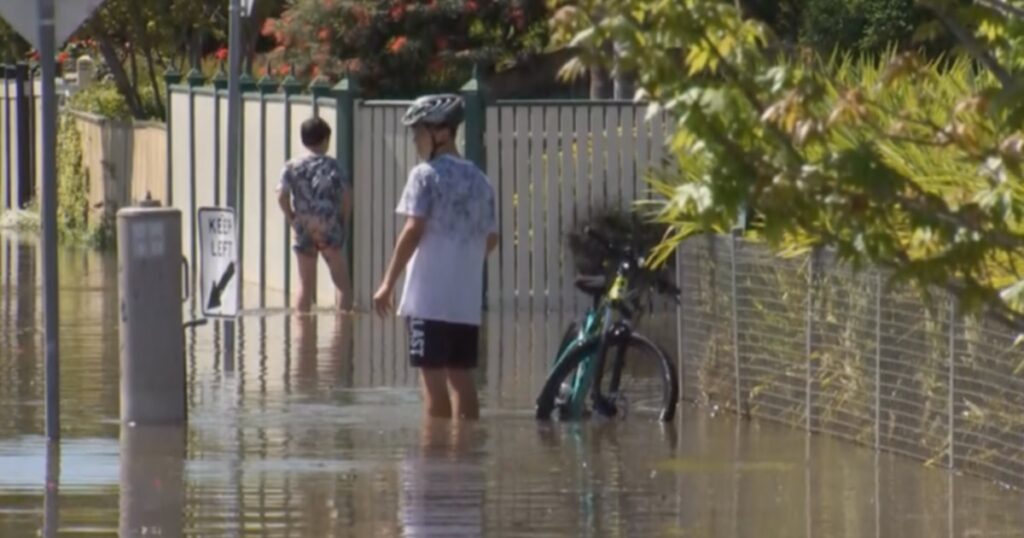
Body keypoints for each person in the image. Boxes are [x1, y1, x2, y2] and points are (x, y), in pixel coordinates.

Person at [373, 94, 499, 420]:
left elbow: (413, 230)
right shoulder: (482, 182)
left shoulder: (424, 176)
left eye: (419, 132)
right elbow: (492, 238)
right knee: (461, 377)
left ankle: (434, 463)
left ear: (440, 132)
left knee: (431, 380)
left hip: (427, 300)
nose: (415, 140)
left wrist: (387, 283)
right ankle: (467, 457)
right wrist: (462, 265)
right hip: (464, 301)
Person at [277, 116, 353, 312]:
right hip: (329, 225)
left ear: (303, 140)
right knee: (342, 284)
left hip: (303, 226)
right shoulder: (334, 166)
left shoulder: (291, 166)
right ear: (326, 140)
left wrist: (292, 218)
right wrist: (343, 223)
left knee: (304, 285)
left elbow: (281, 196)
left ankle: (302, 338)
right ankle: (342, 336)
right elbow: (346, 197)